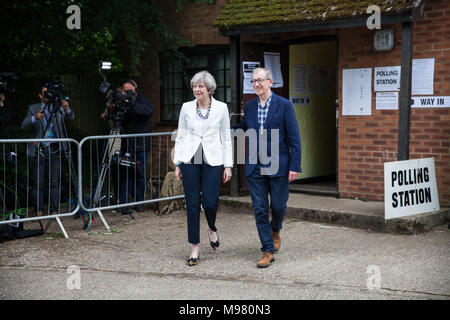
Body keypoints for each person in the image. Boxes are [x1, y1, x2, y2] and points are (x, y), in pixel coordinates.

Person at [233, 68, 301, 268]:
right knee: (260, 209)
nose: (256, 84)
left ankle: (276, 229)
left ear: (270, 82)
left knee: (278, 206)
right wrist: (227, 128)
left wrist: (294, 166)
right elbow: (246, 125)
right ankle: (267, 250)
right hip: (255, 165)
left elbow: (294, 138)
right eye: (253, 81)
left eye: (260, 80)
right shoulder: (251, 105)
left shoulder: (284, 105)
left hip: (278, 164)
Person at [173, 70, 233, 266]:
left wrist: (228, 165)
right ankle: (195, 248)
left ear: (209, 89)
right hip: (190, 158)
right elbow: (181, 136)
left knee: (209, 202)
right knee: (191, 203)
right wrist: (177, 163)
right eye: (194, 86)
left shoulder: (222, 108)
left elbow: (226, 138)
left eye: (200, 86)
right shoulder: (186, 108)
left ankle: (212, 228)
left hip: (213, 159)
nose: (197, 89)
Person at [21, 84, 75, 216]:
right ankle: (39, 209)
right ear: (40, 95)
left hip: (55, 148)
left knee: (54, 181)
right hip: (39, 148)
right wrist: (35, 118)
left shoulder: (58, 107)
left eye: (50, 93)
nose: (48, 96)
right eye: (45, 93)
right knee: (38, 181)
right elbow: (23, 126)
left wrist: (67, 109)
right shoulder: (33, 108)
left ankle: (54, 210)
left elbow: (71, 118)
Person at [117, 80, 153, 215]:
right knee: (125, 175)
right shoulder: (122, 102)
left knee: (140, 175)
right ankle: (124, 203)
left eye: (129, 91)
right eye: (124, 91)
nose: (126, 93)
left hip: (141, 145)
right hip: (127, 144)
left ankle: (139, 203)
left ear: (135, 89)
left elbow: (148, 111)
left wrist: (131, 104)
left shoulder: (142, 101)